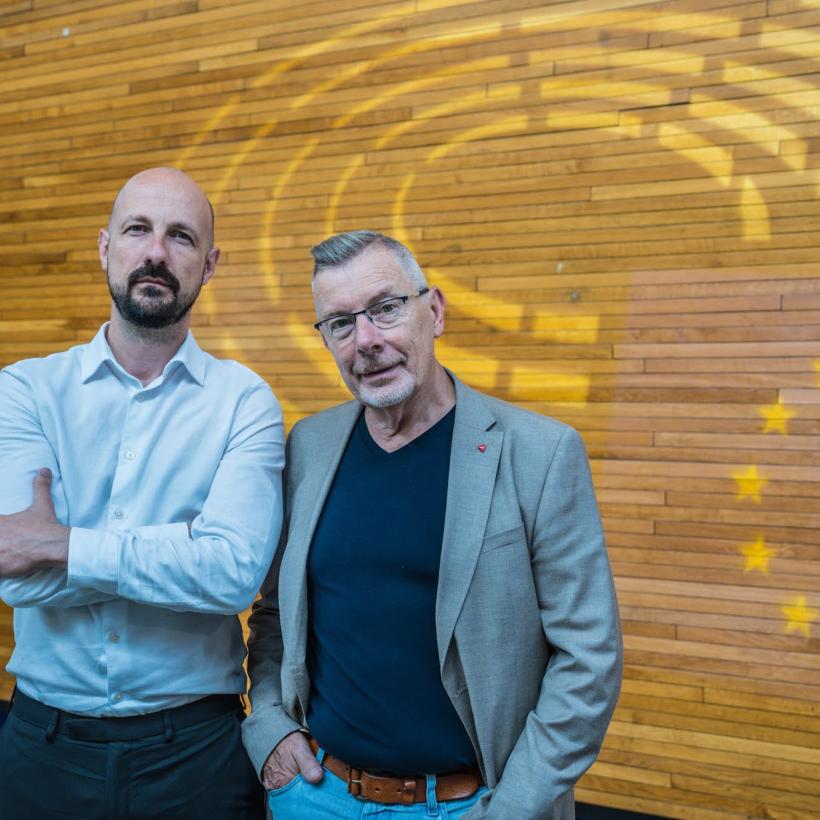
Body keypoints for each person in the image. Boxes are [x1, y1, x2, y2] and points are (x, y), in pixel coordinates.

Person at [242, 230, 622, 819]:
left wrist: (510, 811)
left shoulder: (540, 454)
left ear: (435, 311)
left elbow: (588, 659)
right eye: (340, 323)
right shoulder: (309, 446)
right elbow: (275, 615)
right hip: (317, 796)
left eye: (386, 308)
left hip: (472, 805)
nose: (367, 340)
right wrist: (268, 725)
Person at [0, 167, 284, 819]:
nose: (156, 252)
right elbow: (19, 578)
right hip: (42, 749)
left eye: (181, 236)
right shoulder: (23, 390)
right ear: (106, 248)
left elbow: (231, 576)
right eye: (137, 229)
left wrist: (62, 545)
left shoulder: (244, 402)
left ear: (209, 264)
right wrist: (178, 556)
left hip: (197, 756)